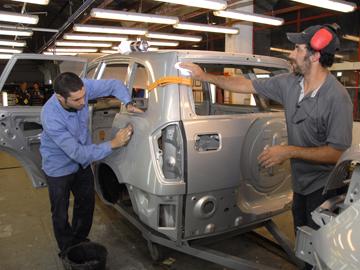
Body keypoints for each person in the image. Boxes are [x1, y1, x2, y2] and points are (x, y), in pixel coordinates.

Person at [180, 24, 352, 234]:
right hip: (300, 185)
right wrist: (205, 77)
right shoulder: (290, 84)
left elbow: (337, 153)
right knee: (302, 240)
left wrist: (288, 151)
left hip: (324, 188)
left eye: (298, 49)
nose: (291, 54)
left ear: (315, 56)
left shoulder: (337, 97)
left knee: (319, 250)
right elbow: (245, 84)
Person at [40, 72, 143, 257]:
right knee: (60, 211)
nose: (83, 102)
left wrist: (128, 102)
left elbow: (115, 84)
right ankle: (66, 249)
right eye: (77, 100)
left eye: (83, 95)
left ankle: (79, 240)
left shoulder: (83, 88)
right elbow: (77, 153)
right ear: (60, 97)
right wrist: (113, 143)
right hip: (58, 167)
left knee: (86, 204)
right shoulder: (50, 116)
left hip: (83, 163)